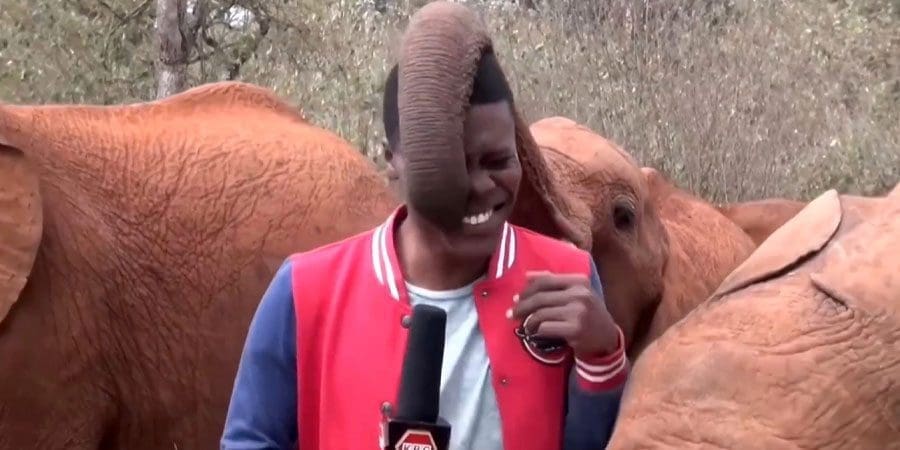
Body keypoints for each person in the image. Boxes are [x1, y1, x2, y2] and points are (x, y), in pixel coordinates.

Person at [220, 3, 628, 449]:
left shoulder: (566, 276)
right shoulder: (306, 291)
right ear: (391, 160)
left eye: (498, 161)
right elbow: (251, 439)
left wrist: (601, 356)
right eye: (455, 166)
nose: (480, 186)